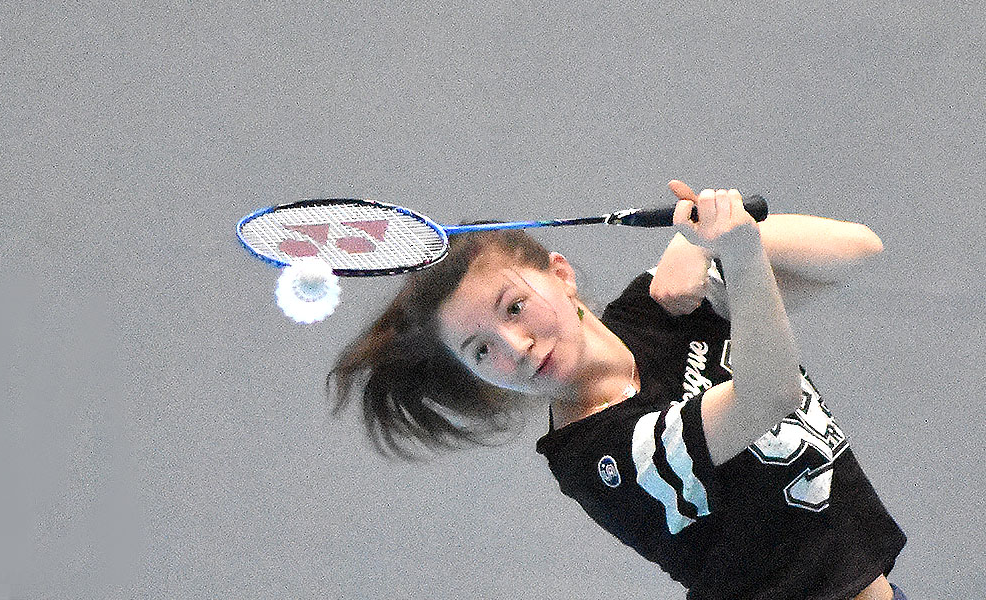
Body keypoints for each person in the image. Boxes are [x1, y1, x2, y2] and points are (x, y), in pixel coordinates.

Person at [328, 181, 907, 599]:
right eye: (481, 350)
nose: (516, 346)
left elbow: (855, 250)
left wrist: (699, 243)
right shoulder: (594, 454)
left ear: (561, 273)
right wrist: (737, 250)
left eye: (515, 307)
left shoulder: (656, 313)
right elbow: (766, 397)